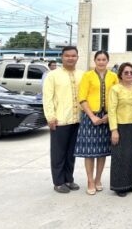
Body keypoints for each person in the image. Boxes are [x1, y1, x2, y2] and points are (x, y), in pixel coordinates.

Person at [74, 51, 118, 195]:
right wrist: (92, 116)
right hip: (90, 116)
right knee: (89, 152)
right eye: (98, 59)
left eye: (104, 59)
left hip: (107, 116)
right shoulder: (87, 76)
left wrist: (108, 115)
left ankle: (98, 179)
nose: (101, 62)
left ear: (108, 61)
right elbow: (82, 97)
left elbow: (116, 96)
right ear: (94, 61)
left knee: (102, 152)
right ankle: (90, 180)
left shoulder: (113, 76)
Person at [43, 46, 84, 193]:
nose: (70, 58)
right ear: (62, 57)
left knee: (71, 153)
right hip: (60, 120)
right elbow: (47, 98)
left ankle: (69, 179)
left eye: (73, 56)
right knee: (58, 153)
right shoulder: (53, 75)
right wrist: (50, 117)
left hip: (77, 120)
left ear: (77, 57)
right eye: (67, 56)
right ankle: (58, 182)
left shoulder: (82, 75)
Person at [108, 62, 132, 197]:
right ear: (120, 74)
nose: (129, 75)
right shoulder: (115, 89)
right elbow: (111, 110)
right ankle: (119, 186)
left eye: (131, 72)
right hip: (120, 126)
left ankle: (130, 183)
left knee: (131, 156)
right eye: (126, 72)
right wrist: (114, 130)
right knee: (120, 156)